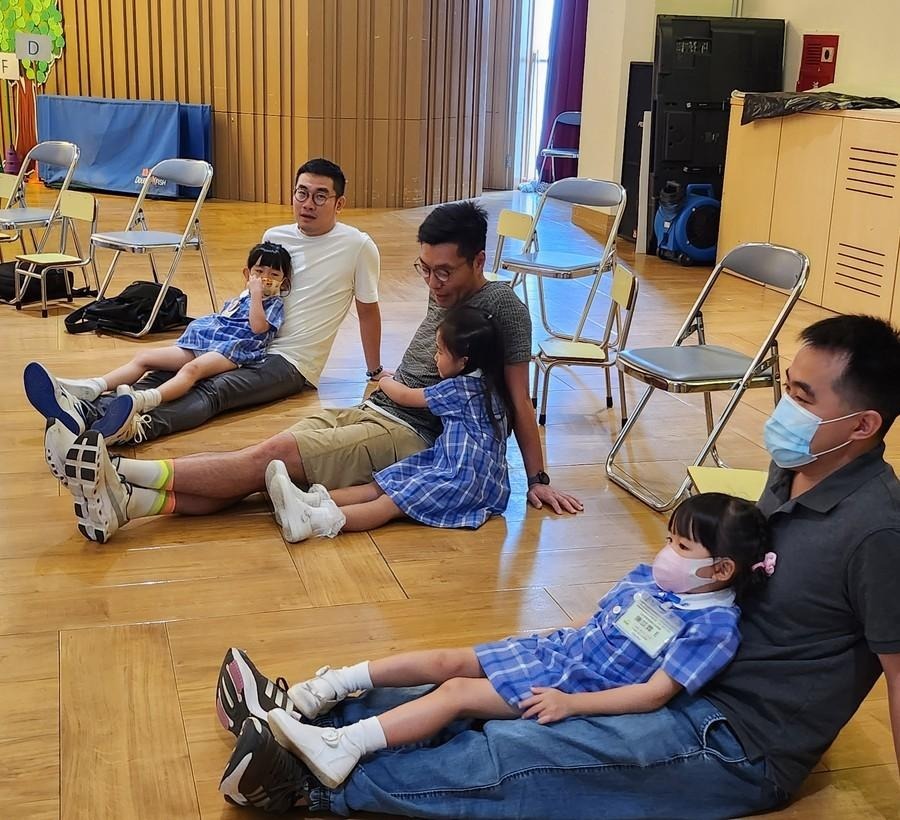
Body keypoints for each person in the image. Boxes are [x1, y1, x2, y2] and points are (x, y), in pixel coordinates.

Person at [211, 314, 900, 819]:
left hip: (732, 736)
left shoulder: (878, 533)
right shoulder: (796, 467)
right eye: (787, 387)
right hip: (670, 664)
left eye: (803, 398)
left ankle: (307, 783)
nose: (783, 408)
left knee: (520, 752)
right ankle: (307, 718)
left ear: (864, 425)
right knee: (477, 681)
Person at [45, 200, 582, 544]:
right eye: (425, 269)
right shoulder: (445, 290)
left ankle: (115, 469)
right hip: (379, 409)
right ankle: (129, 504)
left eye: (445, 271)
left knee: (268, 459)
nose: (433, 282)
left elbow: (519, 400)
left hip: (414, 434)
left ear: (478, 261)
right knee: (265, 472)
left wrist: (537, 480)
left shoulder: (504, 308)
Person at [217, 492, 771, 792]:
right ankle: (324, 690)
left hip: (576, 686)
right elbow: (598, 618)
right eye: (669, 539)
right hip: (559, 653)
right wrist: (551, 635)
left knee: (457, 693)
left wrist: (572, 704)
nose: (666, 553)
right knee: (448, 658)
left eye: (682, 547)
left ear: (722, 569)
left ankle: (345, 747)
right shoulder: (652, 579)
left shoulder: (714, 628)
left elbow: (654, 694)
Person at [25, 157, 383, 444]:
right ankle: (90, 410)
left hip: (290, 360)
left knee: (214, 389)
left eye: (320, 196)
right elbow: (251, 292)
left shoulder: (358, 246)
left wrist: (375, 371)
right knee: (164, 369)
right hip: (241, 338)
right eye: (301, 193)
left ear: (339, 203)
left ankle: (135, 427)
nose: (308, 204)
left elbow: (367, 312)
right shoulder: (275, 236)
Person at [265, 305, 514, 542]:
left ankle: (313, 520)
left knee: (390, 503)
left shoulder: (458, 390)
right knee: (385, 483)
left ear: (463, 361)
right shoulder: (490, 388)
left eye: (439, 351)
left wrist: (383, 380)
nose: (434, 357)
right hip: (478, 478)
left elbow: (405, 396)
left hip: (461, 481)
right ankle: (307, 500)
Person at [25, 242, 293, 444]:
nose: (265, 278)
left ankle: (145, 399)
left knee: (192, 370)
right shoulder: (241, 298)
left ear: (283, 282)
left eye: (274, 274)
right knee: (145, 358)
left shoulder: (273, 303)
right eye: (259, 271)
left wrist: (256, 296)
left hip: (234, 349)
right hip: (206, 341)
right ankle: (93, 387)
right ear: (247, 273)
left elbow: (258, 328)